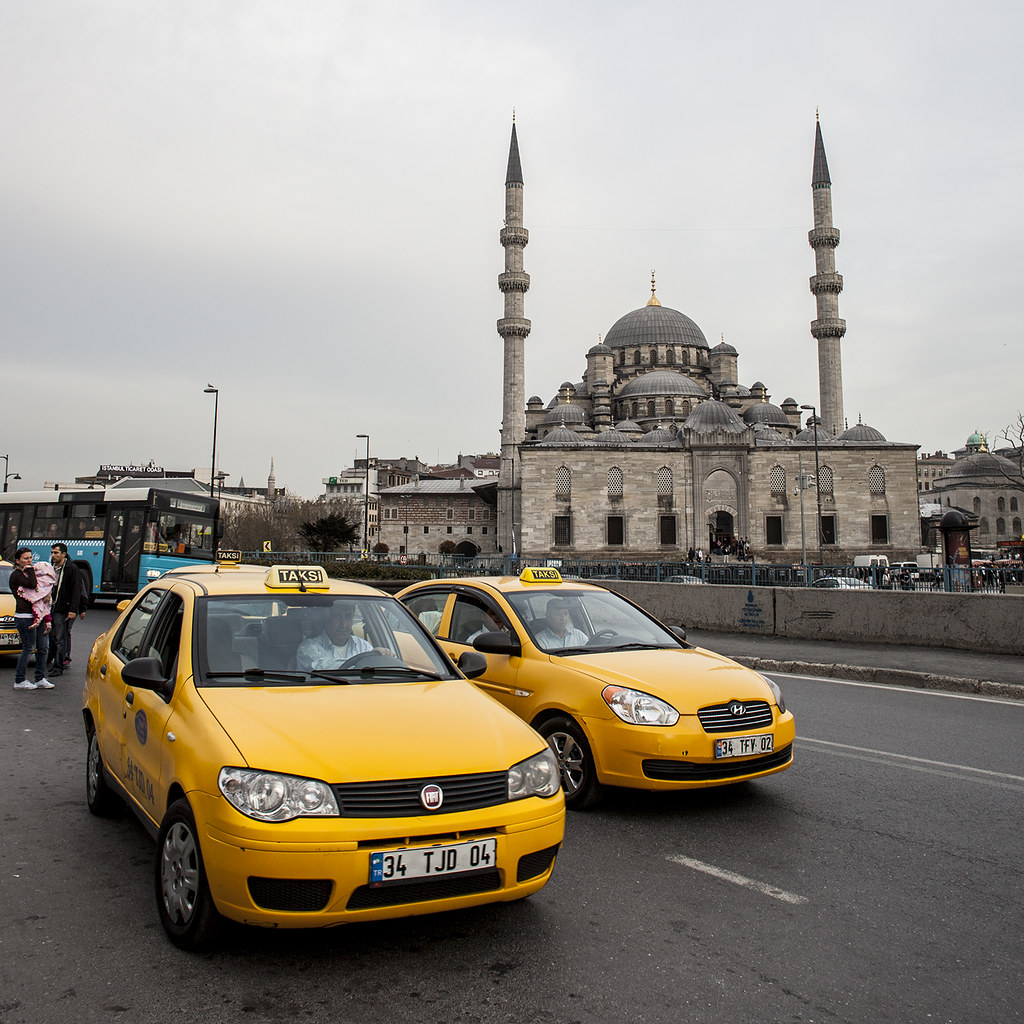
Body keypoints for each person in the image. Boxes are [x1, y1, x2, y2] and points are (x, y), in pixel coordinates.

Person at [10, 548, 53, 690]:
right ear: (17, 560)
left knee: (44, 648)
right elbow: (33, 585)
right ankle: (19, 680)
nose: (29, 561)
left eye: (30, 558)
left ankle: (40, 678)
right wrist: (29, 570)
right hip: (25, 616)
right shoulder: (16, 575)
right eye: (25, 558)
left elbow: (43, 587)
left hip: (39, 614)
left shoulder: (32, 572)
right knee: (29, 648)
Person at [295, 604, 373, 671]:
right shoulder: (308, 647)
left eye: (348, 617)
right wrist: (363, 664)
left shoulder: (363, 646)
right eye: (337, 617)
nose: (343, 624)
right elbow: (323, 669)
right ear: (326, 619)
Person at [48, 543, 86, 677]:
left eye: (56, 553)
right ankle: (52, 662)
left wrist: (74, 610)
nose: (53, 555)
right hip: (50, 607)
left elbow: (77, 590)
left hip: (63, 608)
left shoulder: (71, 568)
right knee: (52, 636)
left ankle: (58, 666)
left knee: (61, 638)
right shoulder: (50, 567)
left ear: (63, 554)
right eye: (52, 553)